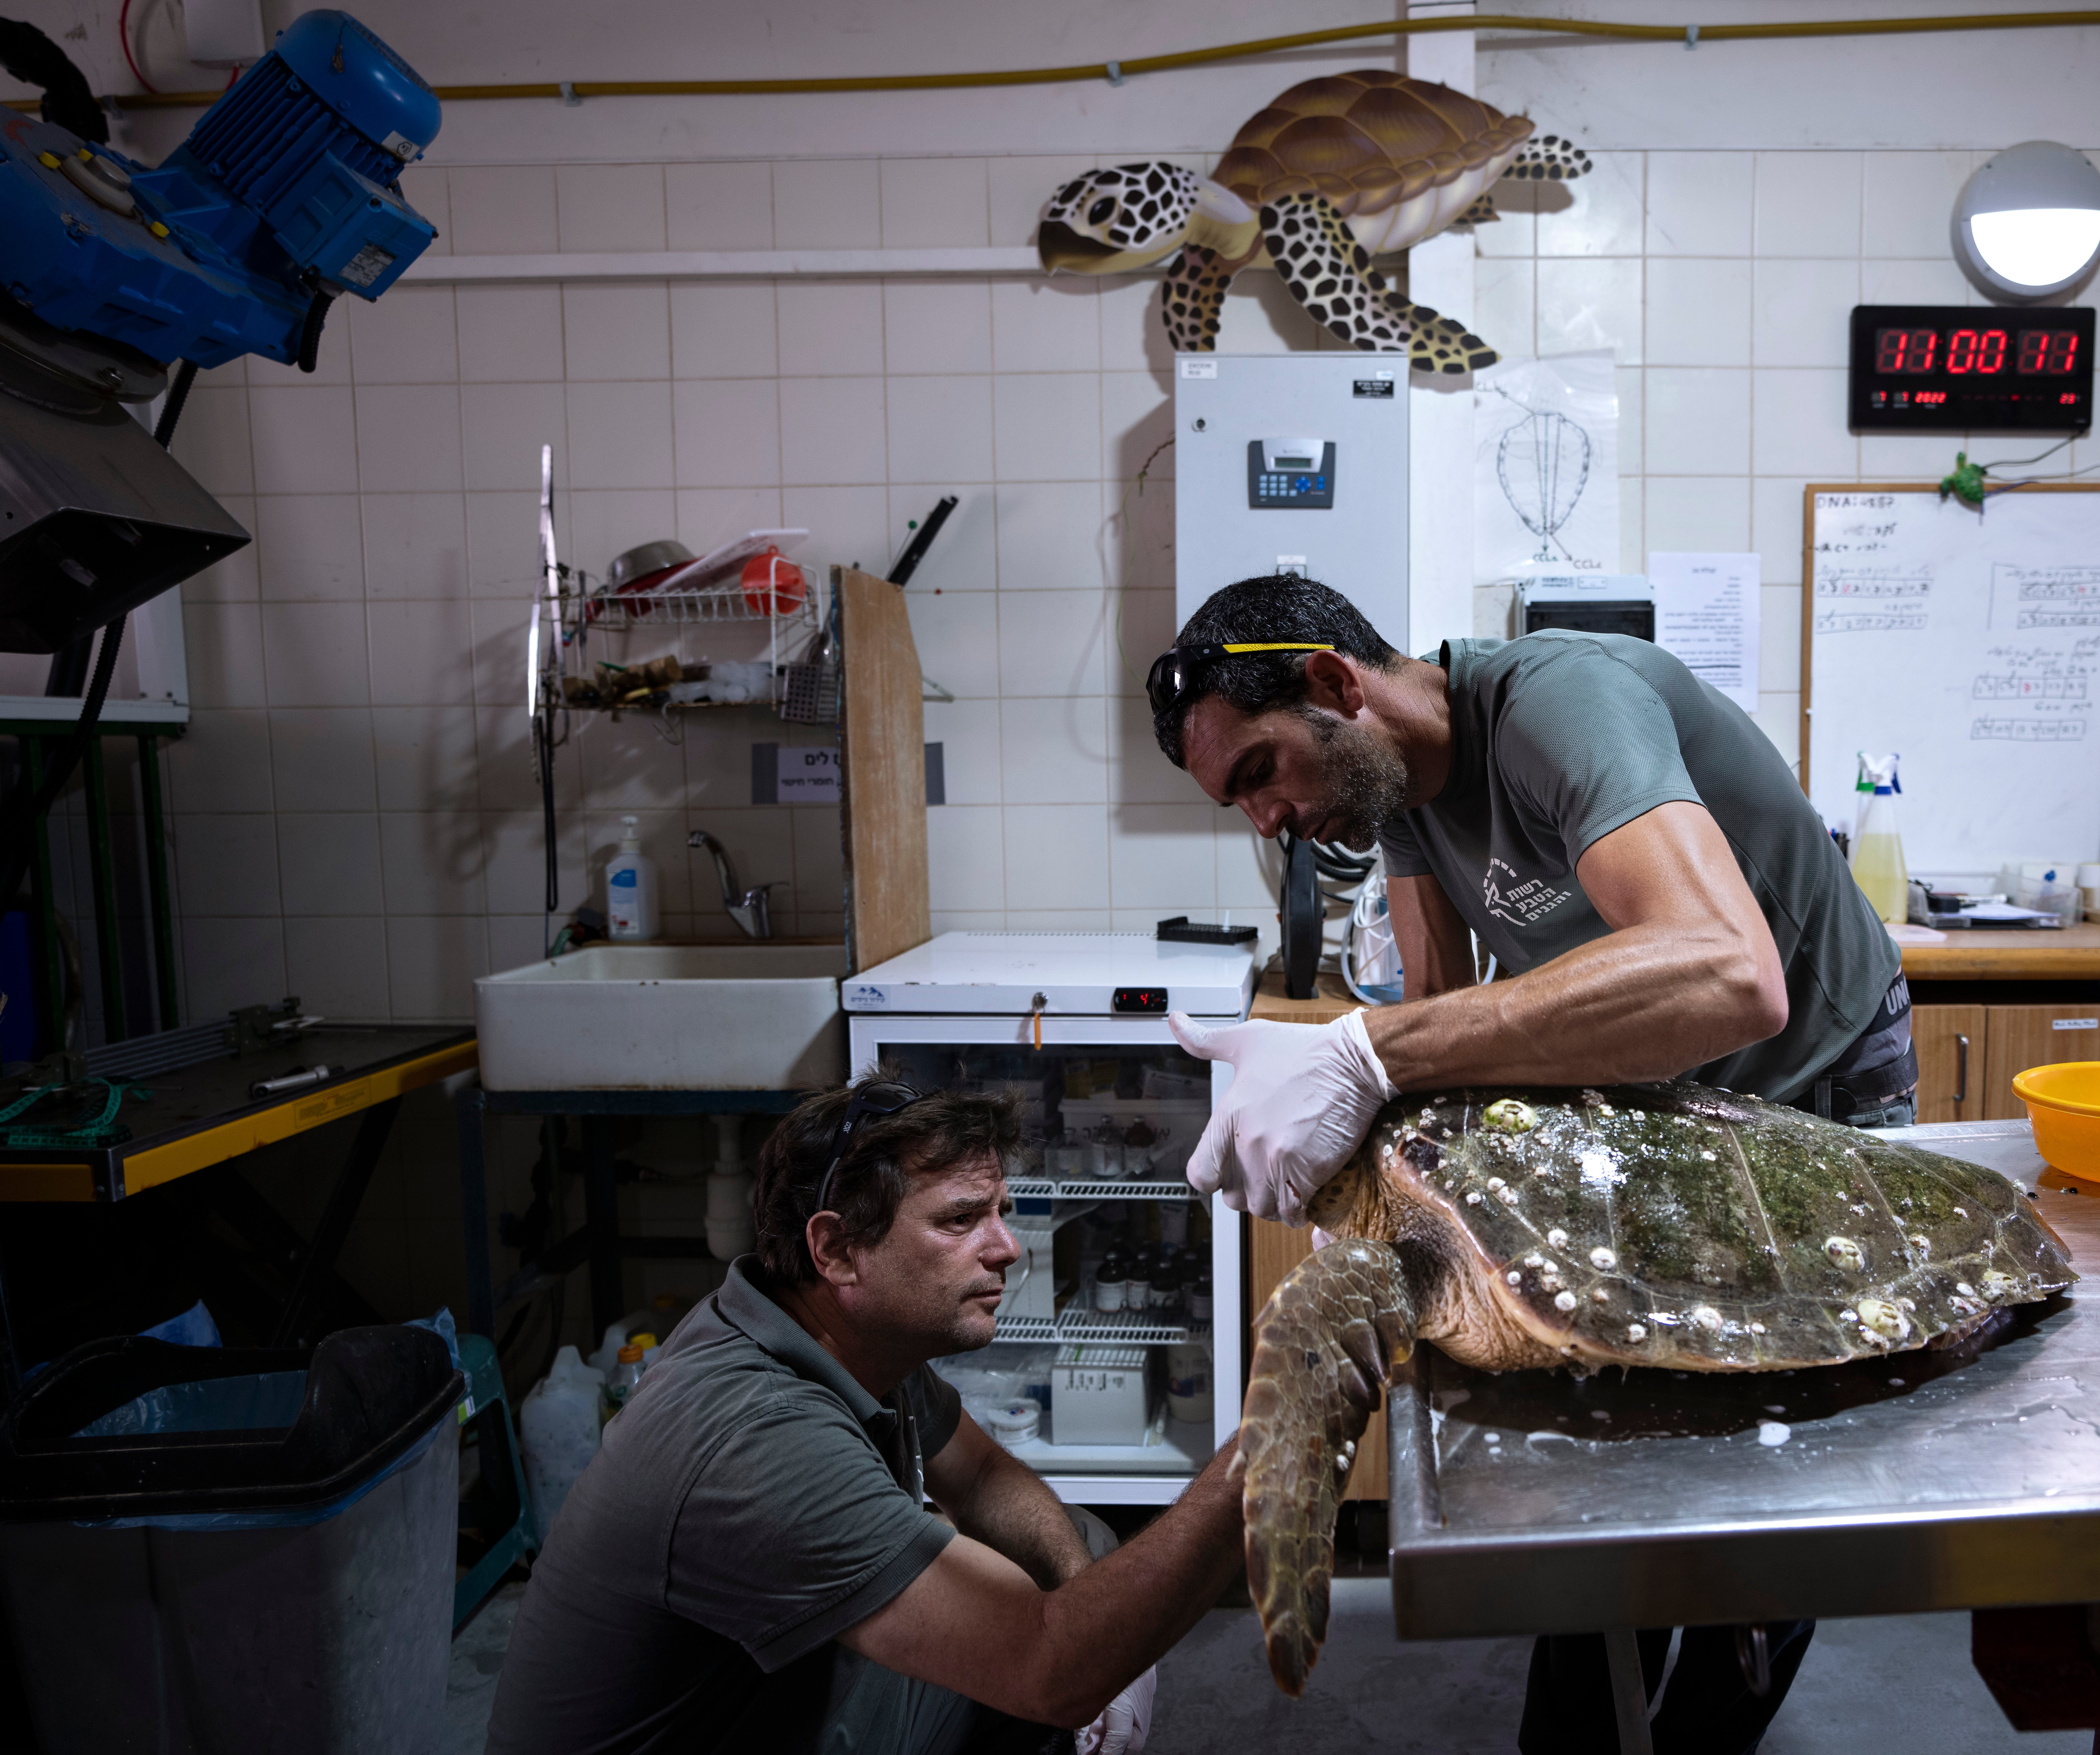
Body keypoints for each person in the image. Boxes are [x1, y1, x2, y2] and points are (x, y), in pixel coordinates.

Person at [1147, 573, 1913, 1753]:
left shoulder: (1562, 703)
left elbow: (1731, 976)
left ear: (1336, 686)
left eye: (1259, 773)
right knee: (1611, 1421)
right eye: (1235, 802)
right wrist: (1366, 1175)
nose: (1266, 821)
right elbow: (1446, 1038)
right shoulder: (1391, 790)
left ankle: (1714, 1717)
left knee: (1779, 1451)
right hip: (1659, 1092)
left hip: (1812, 1065)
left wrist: (1362, 1050)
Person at [486, 1075, 1396, 1755]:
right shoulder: (751, 1437)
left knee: (1074, 1545)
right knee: (1048, 1662)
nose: (1008, 1248)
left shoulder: (835, 1330)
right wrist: (1284, 1420)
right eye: (962, 1220)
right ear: (838, 1247)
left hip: (774, 1705)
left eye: (1003, 1211)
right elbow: (1050, 1664)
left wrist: (1080, 1579)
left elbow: (988, 1477)